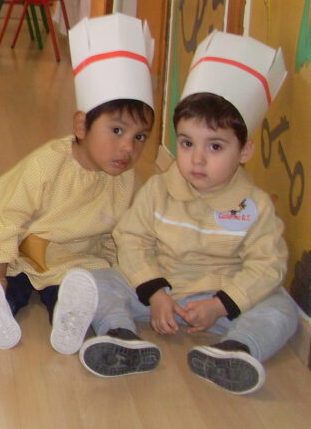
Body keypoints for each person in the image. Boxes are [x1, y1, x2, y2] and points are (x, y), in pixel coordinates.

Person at [78, 32, 299, 395]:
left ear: (244, 151)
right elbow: (131, 239)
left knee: (281, 308)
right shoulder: (159, 189)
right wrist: (156, 293)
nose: (197, 159)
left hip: (222, 301)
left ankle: (236, 350)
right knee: (98, 279)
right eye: (186, 143)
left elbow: (268, 264)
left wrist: (221, 304)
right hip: (158, 291)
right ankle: (120, 336)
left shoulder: (255, 205)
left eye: (215, 147)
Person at [0, 14, 155, 353]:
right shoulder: (47, 164)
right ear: (81, 126)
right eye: (116, 130)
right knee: (10, 289)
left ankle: (68, 327)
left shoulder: (128, 183)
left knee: (76, 295)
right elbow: (8, 215)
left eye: (140, 136)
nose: (128, 147)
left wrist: (120, 277)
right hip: (23, 257)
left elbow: (124, 237)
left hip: (75, 264)